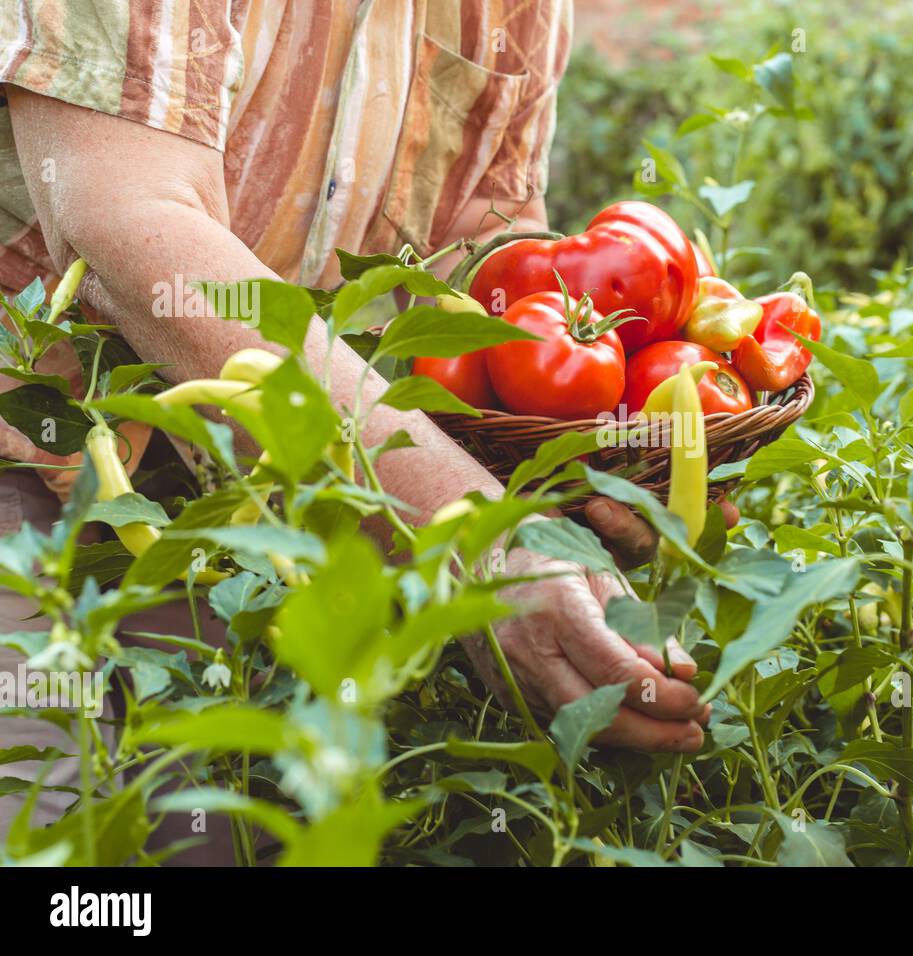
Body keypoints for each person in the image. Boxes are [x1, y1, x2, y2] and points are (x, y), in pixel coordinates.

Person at [0, 0, 708, 839]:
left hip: (281, 493)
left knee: (224, 834)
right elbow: (126, 215)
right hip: (33, 434)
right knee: (43, 816)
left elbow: (485, 258)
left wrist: (599, 454)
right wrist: (471, 532)